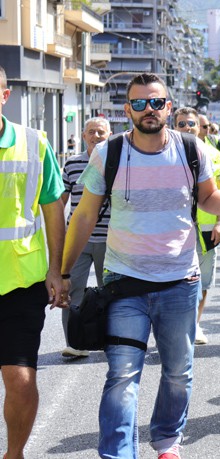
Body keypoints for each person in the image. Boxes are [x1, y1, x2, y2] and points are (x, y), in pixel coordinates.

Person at [60, 73, 220, 459]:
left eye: (156, 102)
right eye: (139, 103)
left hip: (179, 282)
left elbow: (209, 198)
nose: (148, 110)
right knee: (122, 375)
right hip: (123, 284)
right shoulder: (109, 153)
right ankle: (118, 453)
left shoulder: (190, 149)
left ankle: (167, 441)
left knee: (178, 374)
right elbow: (83, 217)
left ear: (168, 106)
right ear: (126, 109)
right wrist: (63, 272)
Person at [0, 65, 66, 459]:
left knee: (20, 378)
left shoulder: (34, 143)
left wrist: (57, 270)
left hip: (21, 281)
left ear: (5, 95)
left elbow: (53, 209)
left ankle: (14, 454)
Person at [174, 107, 220, 345]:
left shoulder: (213, 154)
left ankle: (195, 325)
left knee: (203, 280)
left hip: (207, 228)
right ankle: (179, 327)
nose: (187, 128)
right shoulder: (165, 152)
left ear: (199, 127)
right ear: (174, 126)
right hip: (175, 229)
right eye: (182, 124)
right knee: (178, 280)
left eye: (191, 124)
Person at [60, 116, 112, 358]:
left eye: (101, 132)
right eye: (91, 132)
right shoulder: (71, 164)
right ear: (83, 136)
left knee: (111, 291)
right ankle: (74, 342)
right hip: (78, 239)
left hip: (110, 239)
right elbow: (59, 201)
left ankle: (112, 340)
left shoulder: (116, 162)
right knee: (72, 290)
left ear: (109, 135)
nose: (96, 136)